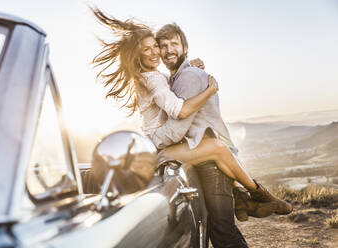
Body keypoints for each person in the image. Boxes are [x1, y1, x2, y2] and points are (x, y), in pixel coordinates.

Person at [91, 9, 292, 247]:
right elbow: (180, 112)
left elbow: (174, 93)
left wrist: (192, 67)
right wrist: (209, 89)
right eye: (153, 48)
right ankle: (256, 194)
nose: (159, 51)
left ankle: (248, 195)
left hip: (164, 146)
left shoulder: (164, 76)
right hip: (158, 147)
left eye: (161, 46)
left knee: (218, 164)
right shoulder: (155, 78)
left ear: (184, 47)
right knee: (217, 149)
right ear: (138, 54)